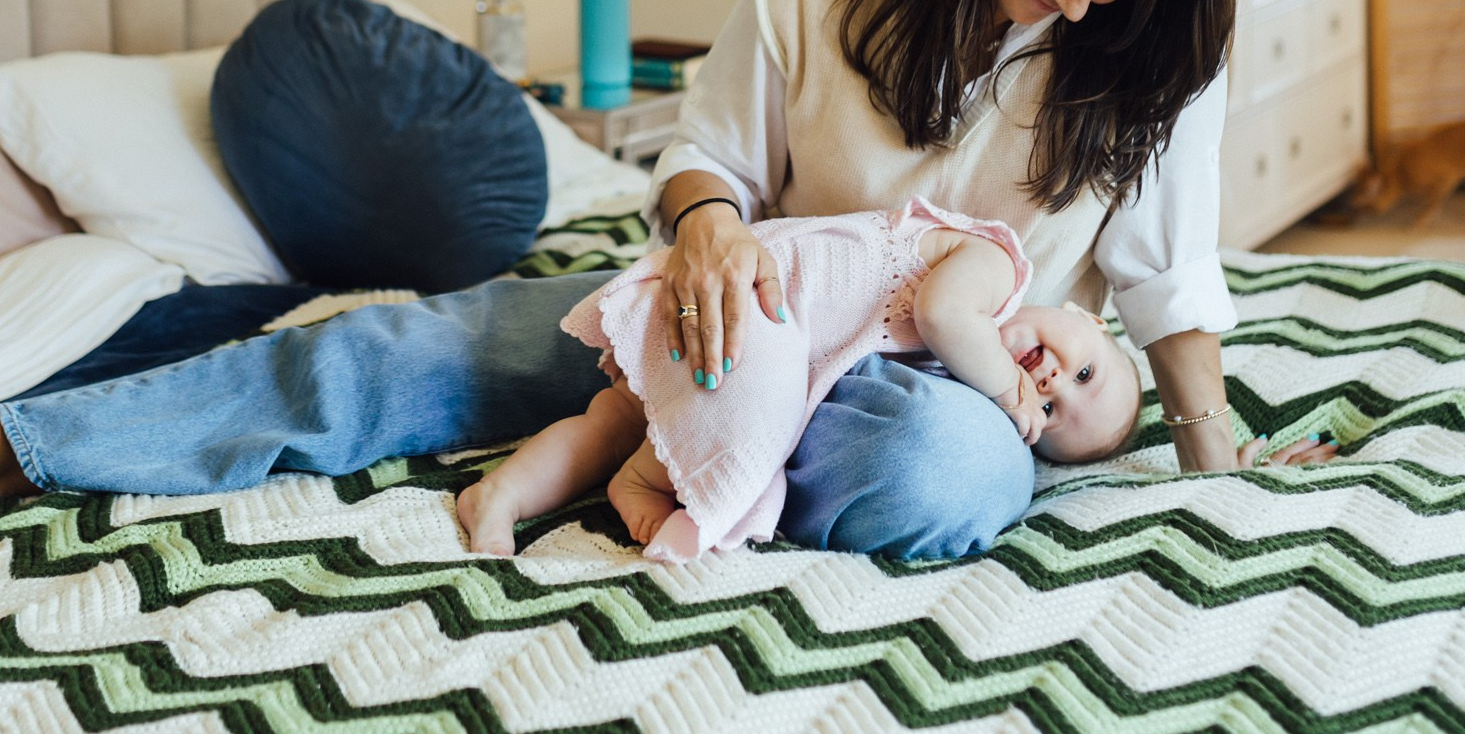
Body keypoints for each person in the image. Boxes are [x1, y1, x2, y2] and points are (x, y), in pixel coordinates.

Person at [0, 0, 1334, 561]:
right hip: (744, 319)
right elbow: (705, 158)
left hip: (933, 376)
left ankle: (672, 479)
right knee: (398, 351)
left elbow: (1164, 270)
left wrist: (1212, 438)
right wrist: (706, 237)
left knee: (935, 467)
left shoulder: (1144, 49)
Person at [455, 197, 1141, 561]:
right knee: (752, 446)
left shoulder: (955, 367)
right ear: (1091, 315)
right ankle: (646, 480)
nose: (1049, 379)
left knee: (613, 420)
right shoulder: (997, 269)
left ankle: (502, 493)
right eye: (1084, 369)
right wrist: (1003, 387)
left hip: (752, 327)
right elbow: (939, 310)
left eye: (1049, 407)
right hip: (756, 298)